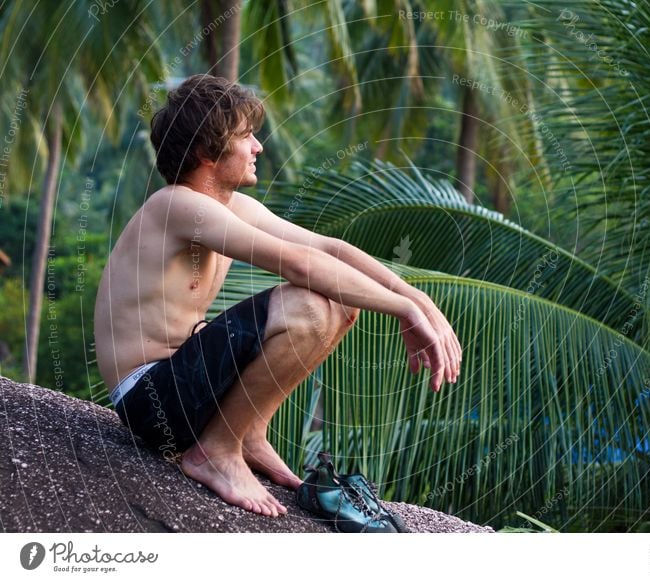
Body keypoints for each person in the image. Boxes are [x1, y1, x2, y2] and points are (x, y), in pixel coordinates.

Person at [93, 74, 462, 518]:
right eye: (245, 137)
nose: (258, 147)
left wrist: (417, 299)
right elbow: (300, 267)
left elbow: (328, 249)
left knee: (339, 300)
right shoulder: (175, 206)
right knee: (308, 303)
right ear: (206, 153)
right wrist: (403, 310)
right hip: (151, 398)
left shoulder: (232, 206)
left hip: (185, 384)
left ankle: (246, 434)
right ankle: (216, 450)